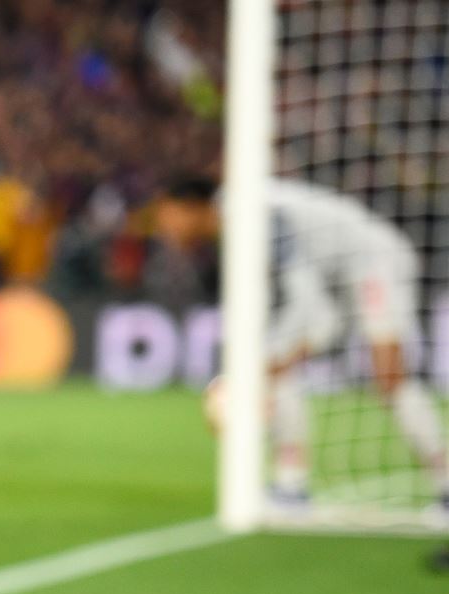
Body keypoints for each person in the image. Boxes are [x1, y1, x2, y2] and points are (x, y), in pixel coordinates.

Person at [160, 175, 449, 508]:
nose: (165, 228)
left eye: (169, 216)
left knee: (389, 377)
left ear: (193, 208)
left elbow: (313, 311)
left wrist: (261, 371)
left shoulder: (253, 215)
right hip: (334, 276)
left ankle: (445, 482)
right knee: (275, 361)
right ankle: (291, 485)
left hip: (372, 260)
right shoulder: (238, 224)